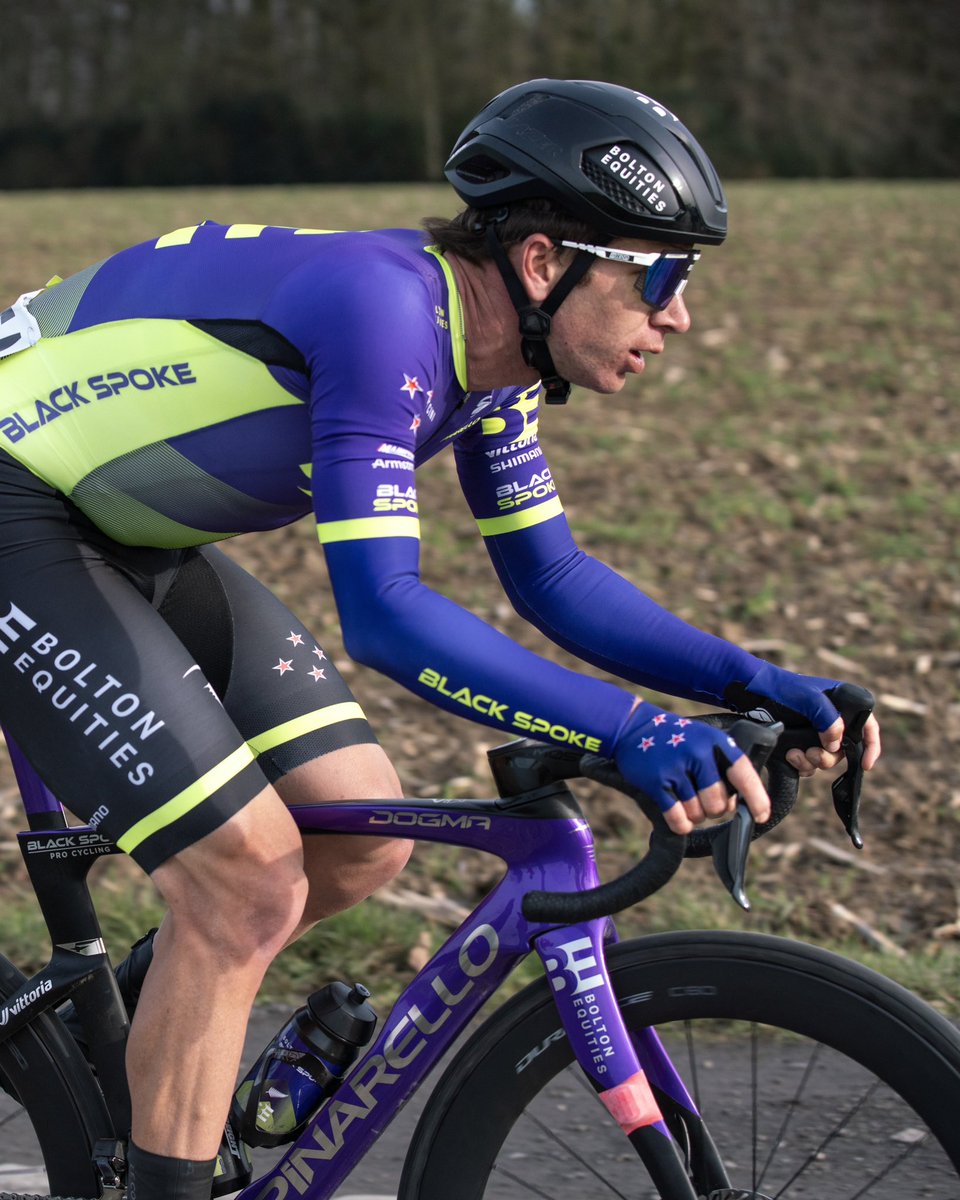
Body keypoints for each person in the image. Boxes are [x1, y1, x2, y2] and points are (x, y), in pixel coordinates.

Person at [0, 78, 880, 1196]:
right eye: (658, 275)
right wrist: (633, 728)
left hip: (121, 532)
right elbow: (384, 613)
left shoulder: (493, 365)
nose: (679, 317)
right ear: (545, 261)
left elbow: (550, 577)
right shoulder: (385, 313)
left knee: (362, 833)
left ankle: (148, 1030)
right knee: (247, 882)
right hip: (18, 507)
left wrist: (756, 680)